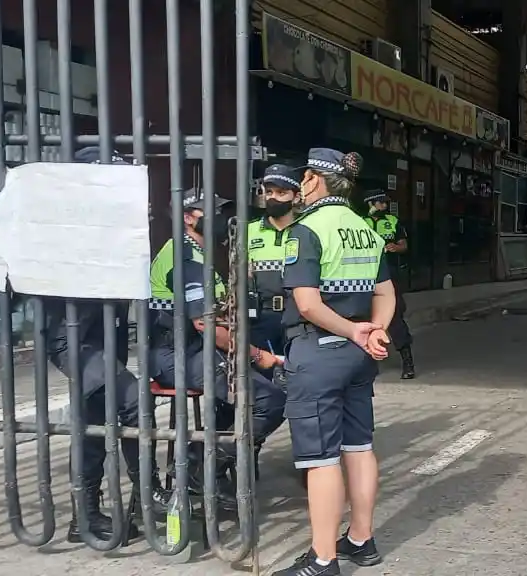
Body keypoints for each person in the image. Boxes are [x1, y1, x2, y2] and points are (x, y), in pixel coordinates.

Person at [273, 148, 395, 576]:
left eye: (303, 179)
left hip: (319, 351)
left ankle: (323, 559)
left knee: (320, 459)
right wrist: (373, 330)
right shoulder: (365, 228)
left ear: (312, 180)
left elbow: (307, 304)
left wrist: (351, 330)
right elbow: (386, 293)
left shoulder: (306, 231)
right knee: (359, 447)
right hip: (360, 356)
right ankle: (361, 540)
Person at [52, 146, 168, 544]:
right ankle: (150, 497)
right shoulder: (72, 224)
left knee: (94, 426)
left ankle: (83, 518)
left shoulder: (112, 225)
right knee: (135, 400)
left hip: (105, 337)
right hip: (75, 339)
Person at [147, 187, 286, 506]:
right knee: (268, 400)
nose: (219, 219)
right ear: (187, 218)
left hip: (196, 350)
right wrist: (255, 355)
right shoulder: (184, 258)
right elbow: (204, 323)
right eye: (210, 212)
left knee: (245, 396)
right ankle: (200, 467)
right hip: (177, 355)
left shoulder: (197, 254)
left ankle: (207, 463)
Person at [248, 164, 302, 365]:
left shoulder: (307, 231)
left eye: (281, 192)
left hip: (299, 316)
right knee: (263, 381)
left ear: (296, 197)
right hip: (261, 318)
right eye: (269, 191)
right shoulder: (248, 231)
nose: (273, 197)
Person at [364, 190, 416, 379]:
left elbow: (404, 244)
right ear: (371, 204)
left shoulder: (393, 221)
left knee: (394, 317)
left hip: (389, 274)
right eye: (380, 203)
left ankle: (407, 362)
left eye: (385, 203)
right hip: (364, 275)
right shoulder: (360, 223)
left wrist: (396, 247)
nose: (384, 206)